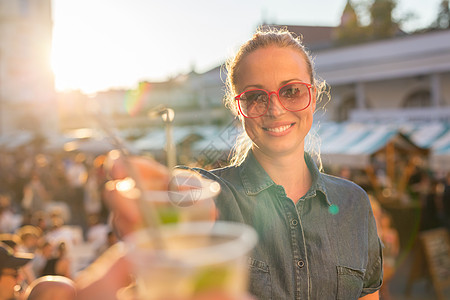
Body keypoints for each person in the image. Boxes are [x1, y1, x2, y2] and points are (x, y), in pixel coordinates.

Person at [87, 27, 384, 299]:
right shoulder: (212, 195)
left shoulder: (354, 203)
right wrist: (160, 203)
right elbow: (176, 204)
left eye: (291, 91)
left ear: (313, 96)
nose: (275, 108)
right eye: (255, 97)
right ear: (237, 108)